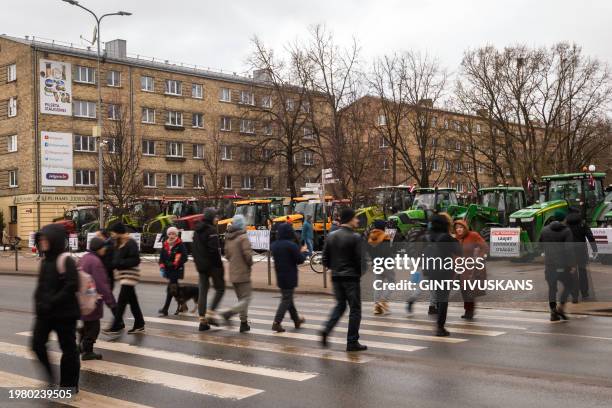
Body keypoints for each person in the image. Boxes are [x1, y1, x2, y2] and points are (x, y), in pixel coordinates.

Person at [31, 224, 80, 390]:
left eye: (46, 239)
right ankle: (51, 377)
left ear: (55, 240)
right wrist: (38, 303)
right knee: (37, 345)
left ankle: (69, 384)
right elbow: (41, 286)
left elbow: (72, 285)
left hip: (65, 314)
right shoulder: (45, 261)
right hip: (45, 314)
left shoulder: (66, 260)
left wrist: (51, 301)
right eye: (41, 239)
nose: (43, 242)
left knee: (69, 349)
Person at [319, 208, 367, 352]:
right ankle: (352, 341)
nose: (357, 221)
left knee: (340, 305)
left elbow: (324, 259)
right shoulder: (355, 237)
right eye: (355, 218)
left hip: (335, 276)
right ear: (350, 219)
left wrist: (335, 268)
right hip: (351, 278)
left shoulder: (331, 236)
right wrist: (359, 273)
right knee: (355, 309)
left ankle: (326, 330)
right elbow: (361, 261)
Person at [422, 214, 461, 336]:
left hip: (430, 271)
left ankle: (438, 321)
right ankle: (440, 327)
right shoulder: (446, 237)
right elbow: (459, 251)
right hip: (444, 272)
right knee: (443, 299)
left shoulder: (426, 237)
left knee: (438, 296)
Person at [78, 237, 116, 360]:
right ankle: (87, 351)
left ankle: (80, 346)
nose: (105, 249)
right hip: (92, 298)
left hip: (82, 297)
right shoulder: (96, 262)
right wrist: (111, 302)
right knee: (94, 327)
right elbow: (102, 285)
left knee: (86, 324)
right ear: (99, 248)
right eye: (103, 247)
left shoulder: (84, 258)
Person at [103, 223, 145, 335]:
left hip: (130, 275)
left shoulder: (130, 242)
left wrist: (119, 263)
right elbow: (114, 260)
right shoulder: (117, 243)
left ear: (118, 232)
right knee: (133, 301)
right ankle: (140, 323)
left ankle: (116, 326)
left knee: (121, 301)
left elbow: (136, 260)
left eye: (112, 232)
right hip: (123, 275)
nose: (111, 234)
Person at [270, 223, 308, 332]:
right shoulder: (291, 245)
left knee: (289, 299)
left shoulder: (275, 245)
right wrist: (303, 251)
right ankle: (277, 322)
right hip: (290, 276)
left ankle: (296, 320)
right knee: (286, 299)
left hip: (280, 276)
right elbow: (300, 259)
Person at [192, 208, 225, 331]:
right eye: (216, 217)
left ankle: (202, 322)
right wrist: (219, 265)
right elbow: (214, 251)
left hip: (201, 266)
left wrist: (198, 263)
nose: (217, 219)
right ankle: (211, 314)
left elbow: (193, 249)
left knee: (203, 292)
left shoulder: (197, 230)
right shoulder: (211, 230)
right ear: (211, 217)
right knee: (220, 288)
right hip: (212, 266)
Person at [539, 210, 576, 321]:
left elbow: (539, 245)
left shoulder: (544, 230)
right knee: (569, 285)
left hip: (550, 265)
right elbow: (569, 250)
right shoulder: (566, 231)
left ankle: (553, 312)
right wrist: (572, 264)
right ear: (564, 219)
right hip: (563, 265)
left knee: (552, 289)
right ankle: (561, 308)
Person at [221, 215, 253, 333]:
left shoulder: (228, 237)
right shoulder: (243, 237)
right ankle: (229, 314)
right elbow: (248, 255)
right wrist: (250, 263)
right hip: (243, 272)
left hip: (233, 273)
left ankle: (243, 324)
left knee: (241, 299)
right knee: (247, 298)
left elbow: (227, 255)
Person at [453, 220, 488, 319]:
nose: (459, 229)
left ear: (465, 227)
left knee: (469, 290)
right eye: (457, 228)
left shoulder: (473, 235)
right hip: (459, 268)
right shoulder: (456, 239)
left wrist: (479, 259)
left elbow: (484, 247)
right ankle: (467, 310)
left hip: (470, 268)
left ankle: (470, 311)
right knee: (463, 290)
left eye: (461, 227)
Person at [566, 212, 597, 301]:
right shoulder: (582, 224)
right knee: (583, 271)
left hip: (569, 251)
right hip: (581, 251)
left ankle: (574, 294)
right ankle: (584, 293)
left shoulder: (566, 225)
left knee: (572, 272)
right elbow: (590, 237)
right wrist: (594, 249)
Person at [158, 227, 188, 316]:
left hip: (176, 270)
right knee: (175, 290)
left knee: (170, 289)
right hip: (168, 269)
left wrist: (176, 263)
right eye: (170, 234)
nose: (171, 235)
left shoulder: (180, 244)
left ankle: (165, 309)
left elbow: (185, 257)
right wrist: (162, 264)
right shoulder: (165, 244)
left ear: (176, 234)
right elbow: (161, 257)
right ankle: (183, 305)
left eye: (173, 234)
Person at [367, 220, 393, 315]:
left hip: (376, 265)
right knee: (392, 283)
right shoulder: (385, 236)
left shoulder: (370, 236)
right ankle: (383, 300)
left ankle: (376, 307)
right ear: (383, 227)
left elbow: (369, 252)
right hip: (386, 264)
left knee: (378, 285)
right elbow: (388, 251)